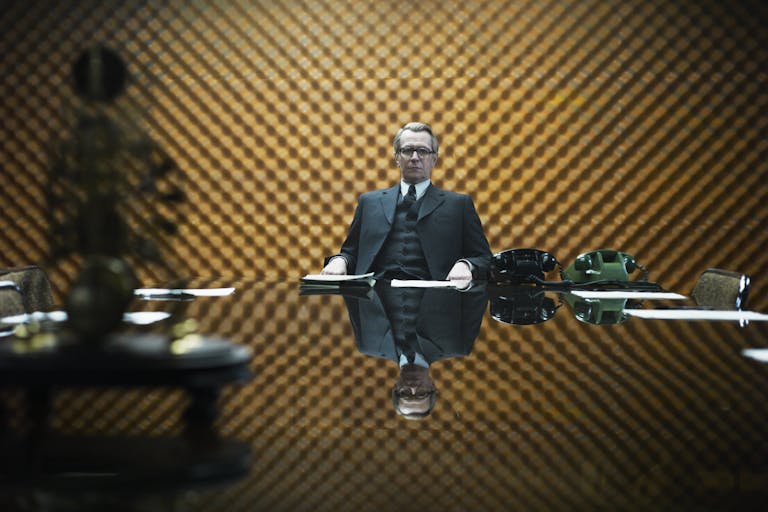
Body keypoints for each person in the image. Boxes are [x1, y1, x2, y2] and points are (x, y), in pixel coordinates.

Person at [321, 122, 491, 283]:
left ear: (434, 159)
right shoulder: (368, 202)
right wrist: (339, 261)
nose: (415, 157)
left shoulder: (459, 205)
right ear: (397, 157)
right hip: (374, 296)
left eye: (423, 151)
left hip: (436, 296)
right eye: (408, 150)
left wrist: (466, 265)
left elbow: (484, 259)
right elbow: (351, 253)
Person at [343, 284, 488, 418]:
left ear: (396, 388)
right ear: (433, 387)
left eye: (405, 394)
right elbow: (478, 293)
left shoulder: (368, 344)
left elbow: (351, 293)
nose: (412, 388)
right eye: (421, 394)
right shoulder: (458, 345)